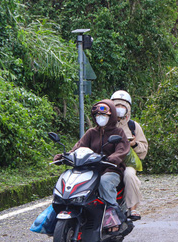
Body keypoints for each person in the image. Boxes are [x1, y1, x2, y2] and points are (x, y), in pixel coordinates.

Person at [54, 99, 130, 225]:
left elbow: (122, 150)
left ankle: (114, 217)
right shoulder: (91, 132)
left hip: (110, 169)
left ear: (111, 117)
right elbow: (78, 148)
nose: (101, 118)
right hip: (90, 170)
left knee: (104, 182)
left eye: (104, 115)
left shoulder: (118, 132)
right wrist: (64, 157)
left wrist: (112, 158)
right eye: (98, 116)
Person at [111, 90, 148, 221]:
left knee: (130, 175)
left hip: (126, 162)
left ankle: (133, 209)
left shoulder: (133, 126)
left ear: (128, 108)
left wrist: (134, 144)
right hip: (108, 161)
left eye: (123, 106)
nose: (120, 109)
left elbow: (144, 149)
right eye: (117, 106)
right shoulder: (105, 123)